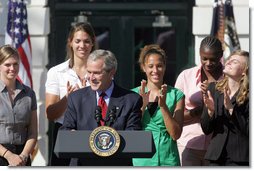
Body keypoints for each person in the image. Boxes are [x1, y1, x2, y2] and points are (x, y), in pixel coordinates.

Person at [61, 49, 143, 166]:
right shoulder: (76, 98)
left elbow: (133, 134)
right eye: (89, 72)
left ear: (112, 72)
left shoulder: (131, 100)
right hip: (83, 164)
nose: (91, 77)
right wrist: (72, 135)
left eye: (97, 73)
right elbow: (65, 130)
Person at [45, 22, 96, 166]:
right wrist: (68, 99)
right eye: (78, 41)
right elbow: (50, 114)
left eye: (87, 41)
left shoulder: (100, 72)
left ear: (93, 43)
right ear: (70, 43)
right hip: (64, 132)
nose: (82, 45)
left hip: (92, 133)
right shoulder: (56, 72)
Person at [174, 36, 224, 166]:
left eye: (212, 59)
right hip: (189, 144)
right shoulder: (186, 76)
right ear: (199, 54)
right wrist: (199, 111)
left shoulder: (228, 78)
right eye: (204, 58)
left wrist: (214, 100)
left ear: (221, 55)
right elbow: (175, 116)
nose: (208, 63)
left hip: (217, 147)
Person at [132, 44, 185, 166]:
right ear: (143, 67)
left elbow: (175, 134)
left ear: (165, 67)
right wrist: (142, 106)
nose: (155, 71)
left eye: (159, 66)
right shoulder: (133, 95)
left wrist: (163, 107)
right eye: (150, 66)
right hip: (141, 160)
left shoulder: (177, 95)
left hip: (168, 159)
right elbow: (130, 130)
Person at [201, 50, 249, 166]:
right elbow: (206, 129)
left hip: (240, 159)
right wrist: (210, 111)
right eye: (229, 60)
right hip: (216, 158)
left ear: (244, 72)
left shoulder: (249, 94)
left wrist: (232, 110)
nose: (229, 62)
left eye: (235, 62)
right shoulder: (213, 89)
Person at [0, 45, 37, 166]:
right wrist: (9, 156)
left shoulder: (29, 94)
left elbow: (33, 132)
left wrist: (23, 156)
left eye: (15, 64)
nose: (12, 68)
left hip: (22, 158)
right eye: (7, 64)